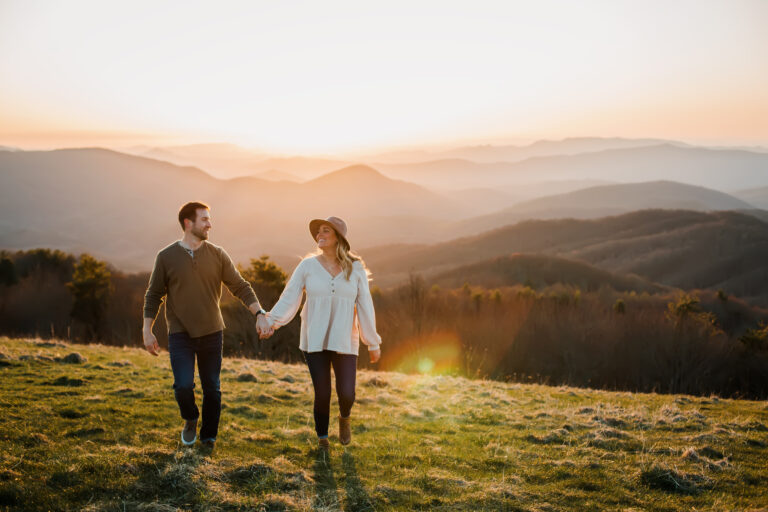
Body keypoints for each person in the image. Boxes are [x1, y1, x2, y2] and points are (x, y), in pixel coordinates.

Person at [142, 201, 270, 448]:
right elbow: (153, 295)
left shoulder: (218, 254)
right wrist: (147, 329)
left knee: (212, 388)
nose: (210, 224)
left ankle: (209, 437)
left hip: (212, 332)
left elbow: (240, 286)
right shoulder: (166, 257)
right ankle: (190, 418)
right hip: (180, 334)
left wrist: (260, 313)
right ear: (188, 223)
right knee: (182, 386)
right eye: (204, 219)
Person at [262, 216, 382, 449]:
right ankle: (322, 438)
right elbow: (290, 296)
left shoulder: (355, 268)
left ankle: (344, 418)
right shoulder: (307, 266)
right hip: (314, 338)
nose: (319, 235)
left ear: (338, 237)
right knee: (323, 393)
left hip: (346, 339)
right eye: (318, 232)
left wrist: (372, 342)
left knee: (347, 393)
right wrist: (271, 322)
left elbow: (366, 305)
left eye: (325, 231)